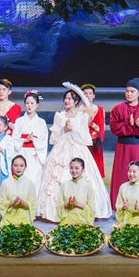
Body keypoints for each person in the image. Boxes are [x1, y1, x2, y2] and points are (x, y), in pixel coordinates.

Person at [37, 85, 111, 222]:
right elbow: (53, 138)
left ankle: (83, 209)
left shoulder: (83, 116)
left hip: (78, 149)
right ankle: (55, 212)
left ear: (76, 101)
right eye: (65, 98)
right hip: (61, 149)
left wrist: (73, 130)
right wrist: (63, 130)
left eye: (70, 99)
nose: (67, 101)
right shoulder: (59, 116)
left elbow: (86, 139)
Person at [109, 77, 139, 209]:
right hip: (123, 147)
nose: (129, 94)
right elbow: (114, 127)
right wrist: (128, 125)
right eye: (127, 91)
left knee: (138, 174)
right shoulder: (118, 109)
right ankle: (119, 204)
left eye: (132, 91)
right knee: (121, 174)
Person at [12, 91, 48, 190]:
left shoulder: (41, 122)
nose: (29, 105)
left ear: (37, 105)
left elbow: (43, 140)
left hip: (34, 154)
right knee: (21, 179)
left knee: (34, 180)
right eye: (27, 103)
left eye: (32, 103)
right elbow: (14, 138)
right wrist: (24, 140)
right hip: (22, 152)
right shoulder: (19, 121)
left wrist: (34, 140)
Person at [0, 155, 38, 226]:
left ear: (25, 167)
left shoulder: (30, 184)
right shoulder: (5, 183)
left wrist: (21, 202)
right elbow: (1, 203)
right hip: (8, 220)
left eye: (21, 166)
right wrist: (13, 202)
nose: (18, 168)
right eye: (15, 165)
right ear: (11, 167)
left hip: (25, 221)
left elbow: (33, 205)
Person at [57, 158, 96, 225]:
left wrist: (77, 204)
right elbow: (58, 205)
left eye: (77, 168)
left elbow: (91, 210)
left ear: (83, 169)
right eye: (71, 168)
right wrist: (68, 204)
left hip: (83, 221)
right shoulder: (64, 185)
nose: (74, 170)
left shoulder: (88, 187)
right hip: (67, 220)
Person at [115, 161, 139, 226]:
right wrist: (123, 207)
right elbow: (118, 205)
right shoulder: (123, 186)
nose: (131, 174)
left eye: (134, 171)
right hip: (126, 221)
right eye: (129, 171)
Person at [80, 84, 105, 177]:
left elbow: (100, 129)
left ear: (93, 96)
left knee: (95, 167)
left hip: (94, 141)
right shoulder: (78, 110)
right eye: (85, 93)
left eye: (90, 93)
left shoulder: (99, 109)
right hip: (82, 141)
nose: (88, 95)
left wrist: (92, 124)